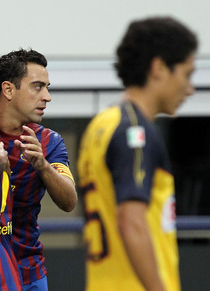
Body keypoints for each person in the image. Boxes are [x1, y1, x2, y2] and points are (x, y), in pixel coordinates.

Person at [77, 16, 198, 291]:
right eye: (187, 74)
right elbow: (131, 222)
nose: (190, 88)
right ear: (159, 68)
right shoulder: (135, 131)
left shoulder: (101, 125)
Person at [0, 49, 78, 290]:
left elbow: (69, 201)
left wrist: (43, 166)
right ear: (8, 90)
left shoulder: (50, 142)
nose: (47, 97)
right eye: (38, 87)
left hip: (27, 270)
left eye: (47, 87)